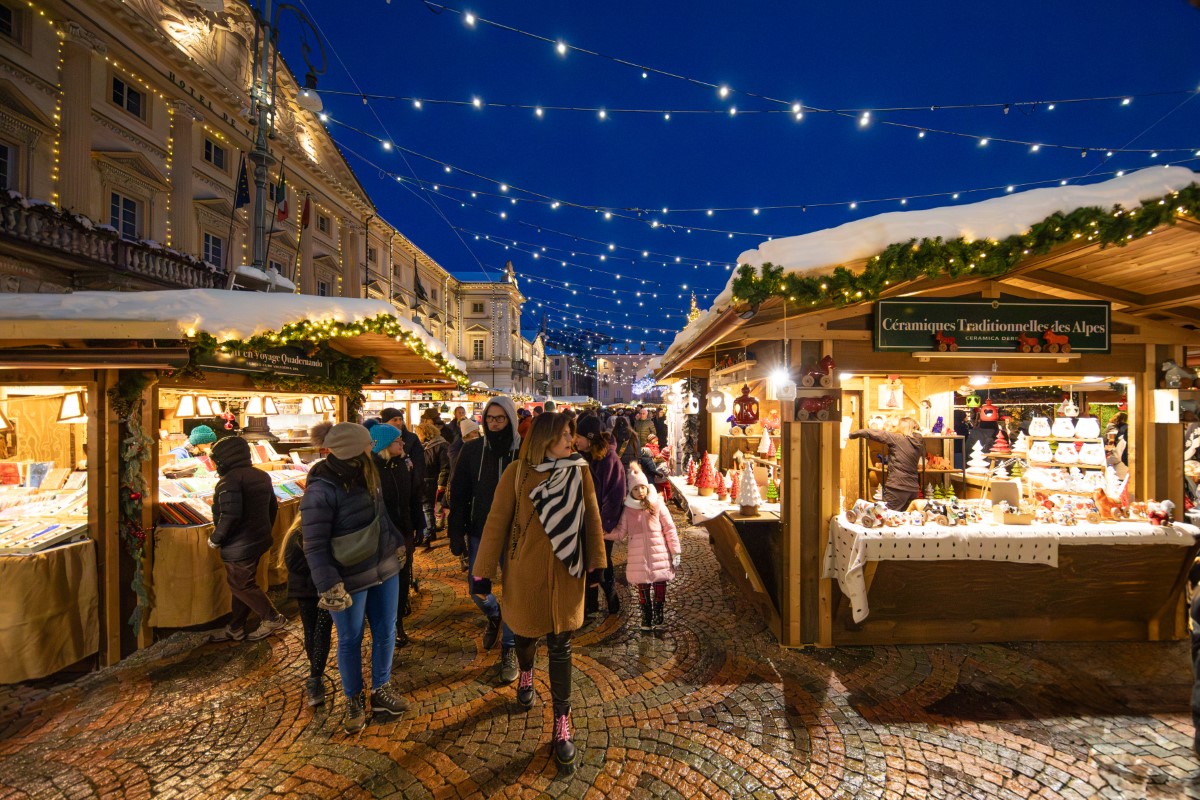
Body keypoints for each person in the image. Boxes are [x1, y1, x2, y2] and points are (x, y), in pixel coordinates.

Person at [473, 412, 607, 776]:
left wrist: (597, 561)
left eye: (571, 434)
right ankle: (527, 671)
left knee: (562, 646)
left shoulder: (578, 471)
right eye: (564, 434)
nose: (571, 440)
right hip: (525, 574)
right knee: (527, 637)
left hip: (567, 574)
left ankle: (562, 721)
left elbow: (591, 517)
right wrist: (483, 571)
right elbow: (497, 521)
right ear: (544, 437)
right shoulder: (517, 473)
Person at [300, 422, 408, 733]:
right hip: (347, 578)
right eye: (366, 447)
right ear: (353, 451)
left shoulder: (368, 475)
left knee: (386, 630)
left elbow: (381, 517)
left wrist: (396, 543)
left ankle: (381, 690)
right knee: (349, 639)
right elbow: (315, 544)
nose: (370, 451)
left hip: (384, 567)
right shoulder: (321, 489)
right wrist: (328, 584)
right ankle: (354, 699)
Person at [448, 397, 522, 683]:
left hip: (515, 535)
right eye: (490, 418)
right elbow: (460, 492)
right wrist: (457, 531)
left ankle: (510, 648)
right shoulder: (473, 450)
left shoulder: (522, 453)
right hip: (481, 532)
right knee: (477, 588)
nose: (493, 423)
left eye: (500, 418)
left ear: (510, 420)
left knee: (514, 593)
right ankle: (494, 614)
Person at [206, 435, 286, 642]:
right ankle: (236, 627)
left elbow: (230, 515)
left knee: (241, 585)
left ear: (225, 458)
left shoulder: (229, 481)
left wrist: (216, 538)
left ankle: (272, 617)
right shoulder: (261, 475)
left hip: (238, 544)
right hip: (257, 539)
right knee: (241, 584)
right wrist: (265, 530)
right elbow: (272, 508)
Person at [606, 465, 681, 631]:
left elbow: (669, 528)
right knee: (643, 587)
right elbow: (620, 533)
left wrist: (675, 551)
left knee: (660, 585)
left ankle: (658, 614)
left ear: (647, 488)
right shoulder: (628, 510)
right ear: (630, 492)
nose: (640, 491)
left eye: (642, 487)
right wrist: (602, 533)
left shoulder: (657, 504)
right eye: (635, 489)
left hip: (659, 553)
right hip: (638, 558)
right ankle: (646, 616)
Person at [371, 423, 423, 649]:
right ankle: (381, 625)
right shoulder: (371, 471)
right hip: (380, 535)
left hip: (403, 532)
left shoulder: (403, 465)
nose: (403, 443)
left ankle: (398, 624)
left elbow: (413, 498)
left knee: (402, 579)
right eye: (397, 441)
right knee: (382, 579)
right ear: (383, 445)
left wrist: (419, 525)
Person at [574, 414, 626, 615]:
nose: (575, 440)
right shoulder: (580, 457)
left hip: (602, 522)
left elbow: (615, 495)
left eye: (579, 436)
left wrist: (603, 524)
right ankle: (591, 604)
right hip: (584, 520)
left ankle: (611, 594)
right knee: (588, 560)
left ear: (590, 437)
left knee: (601, 561)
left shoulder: (609, 459)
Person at [281, 518, 332, 707]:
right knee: (316, 631)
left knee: (316, 630)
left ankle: (315, 675)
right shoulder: (298, 535)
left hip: (311, 589)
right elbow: (294, 564)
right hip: (313, 589)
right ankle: (315, 676)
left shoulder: (296, 533)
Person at [848, 417, 924, 511]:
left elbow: (873, 433)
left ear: (902, 427)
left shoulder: (897, 438)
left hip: (897, 487)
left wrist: (851, 434)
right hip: (913, 489)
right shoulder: (918, 442)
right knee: (905, 519)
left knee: (884, 516)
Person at [417, 413, 450, 549]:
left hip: (433, 481)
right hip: (427, 480)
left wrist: (441, 484)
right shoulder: (425, 446)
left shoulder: (440, 445)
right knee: (428, 508)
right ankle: (430, 532)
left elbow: (444, 467)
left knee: (427, 508)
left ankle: (429, 533)